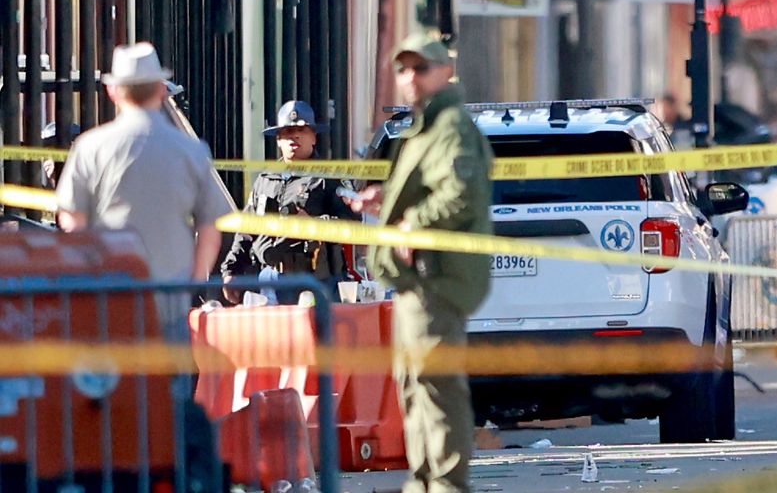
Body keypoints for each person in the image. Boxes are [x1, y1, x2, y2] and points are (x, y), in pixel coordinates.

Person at [345, 32, 493, 493]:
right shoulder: (424, 126)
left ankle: (447, 483)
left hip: (437, 276)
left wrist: (413, 222)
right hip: (416, 278)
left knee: (436, 383)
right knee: (414, 383)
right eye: (404, 69)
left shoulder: (450, 125)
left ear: (445, 72)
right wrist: (387, 199)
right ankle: (426, 479)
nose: (411, 77)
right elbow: (434, 188)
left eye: (421, 68)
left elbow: (460, 194)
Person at [55, 42, 236, 322]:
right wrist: (195, 278)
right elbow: (211, 226)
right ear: (161, 90)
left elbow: (72, 222)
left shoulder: (90, 147)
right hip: (171, 296)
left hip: (110, 291)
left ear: (112, 91)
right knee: (167, 364)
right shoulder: (192, 150)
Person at [221, 100, 359, 304]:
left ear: (314, 137)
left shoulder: (331, 176)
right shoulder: (266, 179)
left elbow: (353, 224)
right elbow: (247, 229)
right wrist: (231, 269)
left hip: (317, 282)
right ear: (278, 139)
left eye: (301, 130)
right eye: (287, 131)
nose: (294, 136)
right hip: (270, 280)